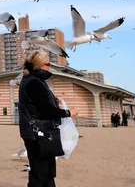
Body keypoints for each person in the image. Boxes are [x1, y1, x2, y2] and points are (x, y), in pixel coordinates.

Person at [18, 50, 79, 187]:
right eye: (48, 64)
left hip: (37, 133)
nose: (50, 67)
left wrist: (53, 99)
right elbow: (45, 110)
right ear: (41, 66)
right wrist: (68, 113)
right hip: (39, 134)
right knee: (41, 174)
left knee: (47, 173)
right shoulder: (34, 82)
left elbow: (38, 104)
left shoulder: (32, 80)